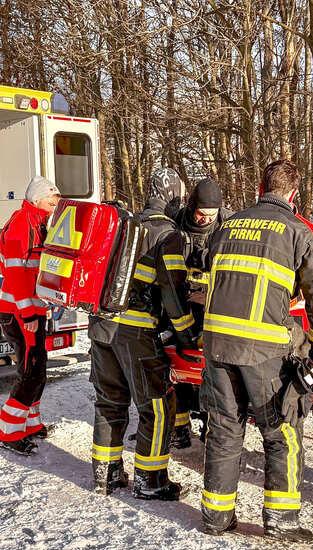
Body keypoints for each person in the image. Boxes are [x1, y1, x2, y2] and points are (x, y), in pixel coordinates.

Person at [200, 160, 313, 543]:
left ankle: (216, 517)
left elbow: (212, 275)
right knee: (281, 431)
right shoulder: (297, 230)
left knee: (224, 430)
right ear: (293, 194)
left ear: (261, 188)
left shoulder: (227, 226)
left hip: (217, 344)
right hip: (264, 350)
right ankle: (281, 520)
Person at [89, 167, 199, 499]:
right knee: (158, 405)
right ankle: (150, 481)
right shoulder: (168, 235)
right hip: (135, 332)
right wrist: (188, 335)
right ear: (174, 197)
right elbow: (173, 294)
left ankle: (106, 474)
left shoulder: (124, 225)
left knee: (110, 402)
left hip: (101, 326)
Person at [0, 176, 61, 456]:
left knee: (38, 369)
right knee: (30, 371)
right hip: (20, 314)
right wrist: (29, 313)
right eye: (51, 201)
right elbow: (16, 274)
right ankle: (8, 433)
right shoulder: (22, 223)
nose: (55, 206)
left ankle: (30, 424)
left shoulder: (39, 224)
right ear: (37, 200)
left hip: (32, 311)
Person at [167, 178, 229, 449]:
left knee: (211, 372)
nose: (206, 220)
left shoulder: (227, 226)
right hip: (179, 306)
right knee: (177, 366)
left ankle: (209, 424)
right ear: (192, 207)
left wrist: (212, 297)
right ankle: (179, 427)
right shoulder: (176, 223)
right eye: (202, 214)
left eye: (211, 215)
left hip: (213, 308)